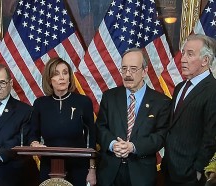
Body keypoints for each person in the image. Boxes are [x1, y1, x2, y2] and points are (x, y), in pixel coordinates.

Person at [96, 48, 171, 186]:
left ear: (144, 71)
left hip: (141, 175)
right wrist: (113, 145)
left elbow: (161, 136)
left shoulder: (161, 102)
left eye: (133, 69)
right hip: (110, 173)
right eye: (124, 69)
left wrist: (133, 147)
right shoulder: (109, 97)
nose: (127, 74)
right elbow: (100, 127)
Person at [29, 57, 96, 186]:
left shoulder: (83, 102)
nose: (62, 77)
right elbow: (33, 133)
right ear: (49, 79)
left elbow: (91, 138)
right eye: (56, 73)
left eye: (65, 73)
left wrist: (92, 169)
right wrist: (34, 143)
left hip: (79, 167)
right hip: (49, 167)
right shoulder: (40, 104)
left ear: (70, 77)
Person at [161, 34, 216, 186]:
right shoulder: (180, 87)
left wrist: (197, 170)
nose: (183, 59)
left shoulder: (213, 90)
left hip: (191, 176)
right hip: (169, 170)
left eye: (190, 54)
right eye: (183, 53)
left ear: (205, 60)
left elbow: (210, 137)